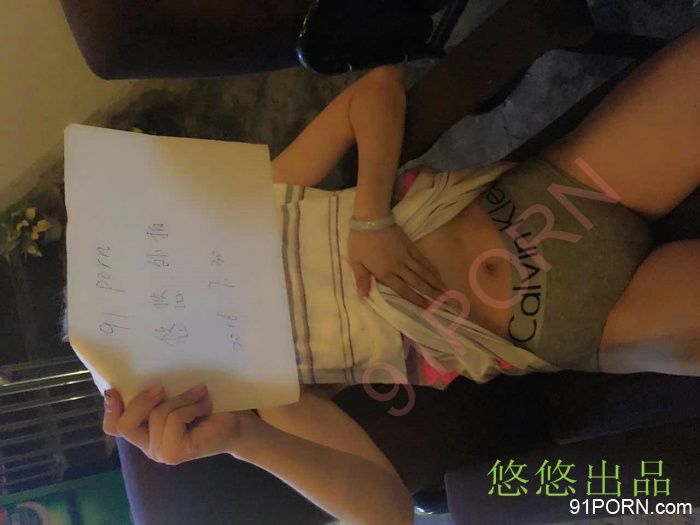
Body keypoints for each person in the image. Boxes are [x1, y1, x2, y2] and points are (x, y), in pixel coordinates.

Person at [100, 27, 699, 524]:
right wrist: (242, 439)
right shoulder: (277, 395)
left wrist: (370, 217)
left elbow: (377, 89)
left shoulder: (260, 200)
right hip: (578, 319)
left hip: (558, 190)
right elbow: (386, 513)